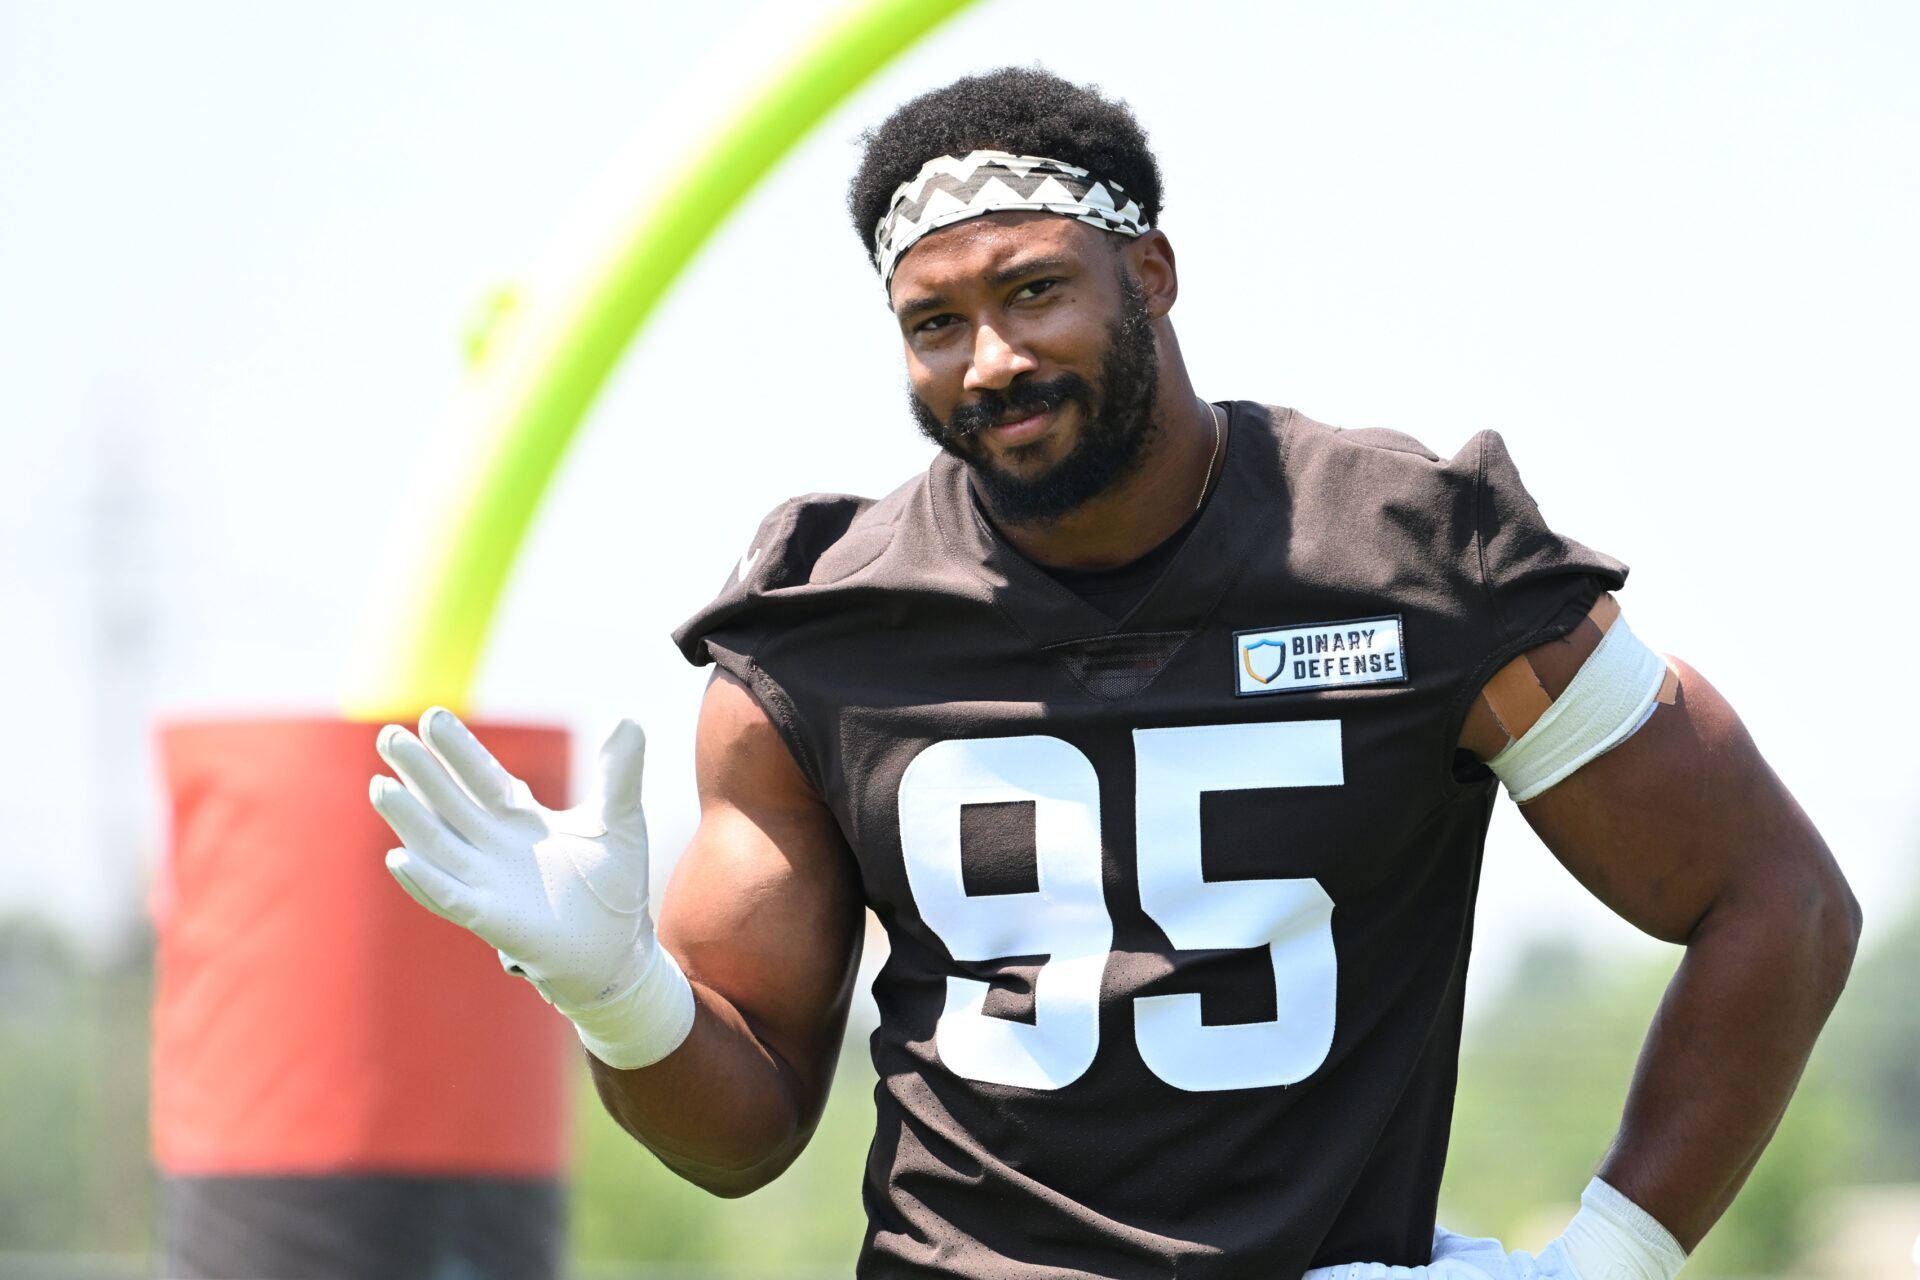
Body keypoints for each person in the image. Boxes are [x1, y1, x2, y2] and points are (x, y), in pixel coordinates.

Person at [368, 67, 1860, 1280]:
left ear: (1148, 272)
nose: (990, 360)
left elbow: (1775, 899)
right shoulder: (826, 632)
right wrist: (619, 991)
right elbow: (743, 1127)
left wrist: (1607, 1260)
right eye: (934, 324)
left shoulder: (1408, 555)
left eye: (1033, 293)